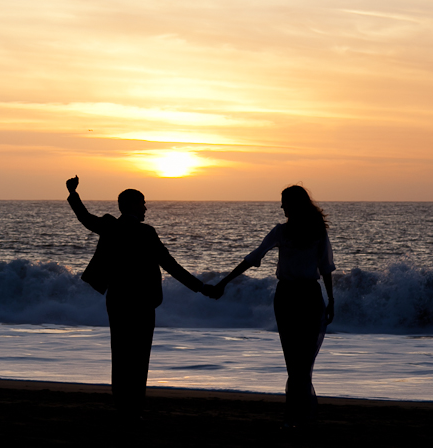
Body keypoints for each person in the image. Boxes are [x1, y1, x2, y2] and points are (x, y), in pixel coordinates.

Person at [65, 175, 217, 419]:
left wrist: (73, 194)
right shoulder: (146, 233)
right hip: (142, 303)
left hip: (116, 300)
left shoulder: (110, 226)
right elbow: (171, 265)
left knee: (121, 353)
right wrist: (201, 288)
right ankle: (134, 406)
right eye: (142, 203)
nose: (146, 207)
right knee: (139, 355)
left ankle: (122, 405)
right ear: (132, 205)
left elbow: (85, 218)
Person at [212, 185, 335, 427]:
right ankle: (298, 416)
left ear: (295, 204)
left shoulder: (316, 232)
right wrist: (224, 282)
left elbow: (326, 267)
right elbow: (253, 257)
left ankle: (299, 415)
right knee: (294, 361)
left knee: (303, 362)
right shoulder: (282, 232)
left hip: (307, 296)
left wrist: (331, 299)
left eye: (284, 202)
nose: (281, 207)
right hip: (290, 297)